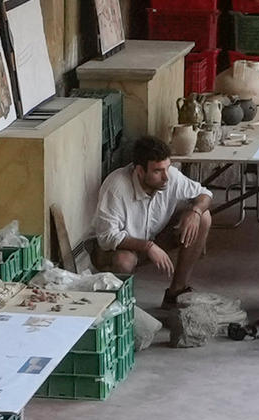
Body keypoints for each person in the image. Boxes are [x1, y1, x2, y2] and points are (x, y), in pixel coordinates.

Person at [86, 133, 214, 342]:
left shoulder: (169, 176)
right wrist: (148, 247)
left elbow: (205, 194)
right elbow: (107, 238)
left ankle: (175, 292)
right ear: (139, 170)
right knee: (124, 260)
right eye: (157, 171)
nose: (165, 177)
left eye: (167, 168)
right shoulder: (117, 186)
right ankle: (123, 312)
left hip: (151, 240)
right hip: (111, 250)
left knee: (204, 217)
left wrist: (196, 212)